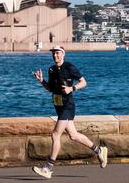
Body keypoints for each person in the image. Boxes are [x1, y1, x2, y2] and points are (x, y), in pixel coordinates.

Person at [32, 45, 108, 179]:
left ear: (63, 54)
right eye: (54, 53)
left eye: (58, 53)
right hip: (58, 106)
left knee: (55, 135)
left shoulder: (69, 67)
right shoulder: (51, 69)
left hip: (68, 105)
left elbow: (84, 82)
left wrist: (71, 88)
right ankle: (99, 150)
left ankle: (49, 168)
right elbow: (51, 89)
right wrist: (41, 81)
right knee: (73, 135)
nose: (55, 56)